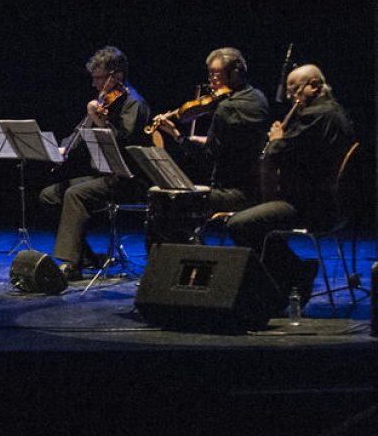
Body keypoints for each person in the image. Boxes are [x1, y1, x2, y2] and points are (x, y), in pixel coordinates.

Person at [226, 64, 354, 305]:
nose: (289, 96)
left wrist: (275, 141)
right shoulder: (335, 112)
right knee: (261, 223)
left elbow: (283, 153)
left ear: (314, 86)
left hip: (313, 207)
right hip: (329, 204)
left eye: (295, 89)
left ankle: (295, 275)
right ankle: (281, 284)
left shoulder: (314, 116)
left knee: (240, 224)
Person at [39, 46, 151, 280]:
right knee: (49, 195)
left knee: (75, 194)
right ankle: (85, 256)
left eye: (98, 79)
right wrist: (64, 148)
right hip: (104, 177)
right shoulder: (104, 101)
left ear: (116, 76)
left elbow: (123, 142)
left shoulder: (134, 104)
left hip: (129, 178)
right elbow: (79, 132)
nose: (94, 84)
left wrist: (99, 118)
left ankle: (71, 264)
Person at [150, 47, 269, 212]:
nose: (212, 81)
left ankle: (180, 238)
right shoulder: (257, 97)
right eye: (210, 74)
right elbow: (237, 144)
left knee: (166, 199)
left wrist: (177, 136)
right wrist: (205, 139)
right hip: (258, 189)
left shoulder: (227, 108)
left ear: (234, 74)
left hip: (230, 192)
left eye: (216, 75)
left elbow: (207, 156)